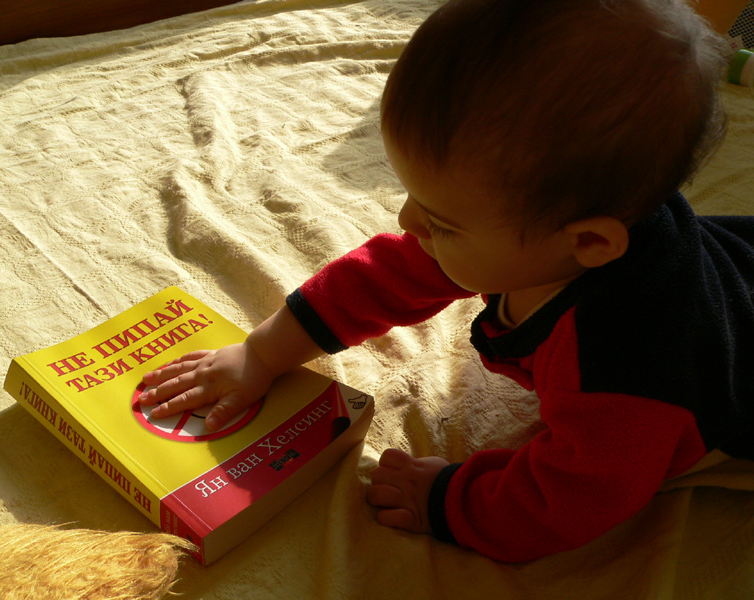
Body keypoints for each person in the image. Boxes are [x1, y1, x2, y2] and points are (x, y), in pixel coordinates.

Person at [139, 0, 754, 562]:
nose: (408, 222)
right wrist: (262, 352)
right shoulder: (547, 238)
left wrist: (448, 501)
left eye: (441, 223)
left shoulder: (630, 375)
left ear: (591, 242)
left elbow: (565, 501)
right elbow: (383, 277)